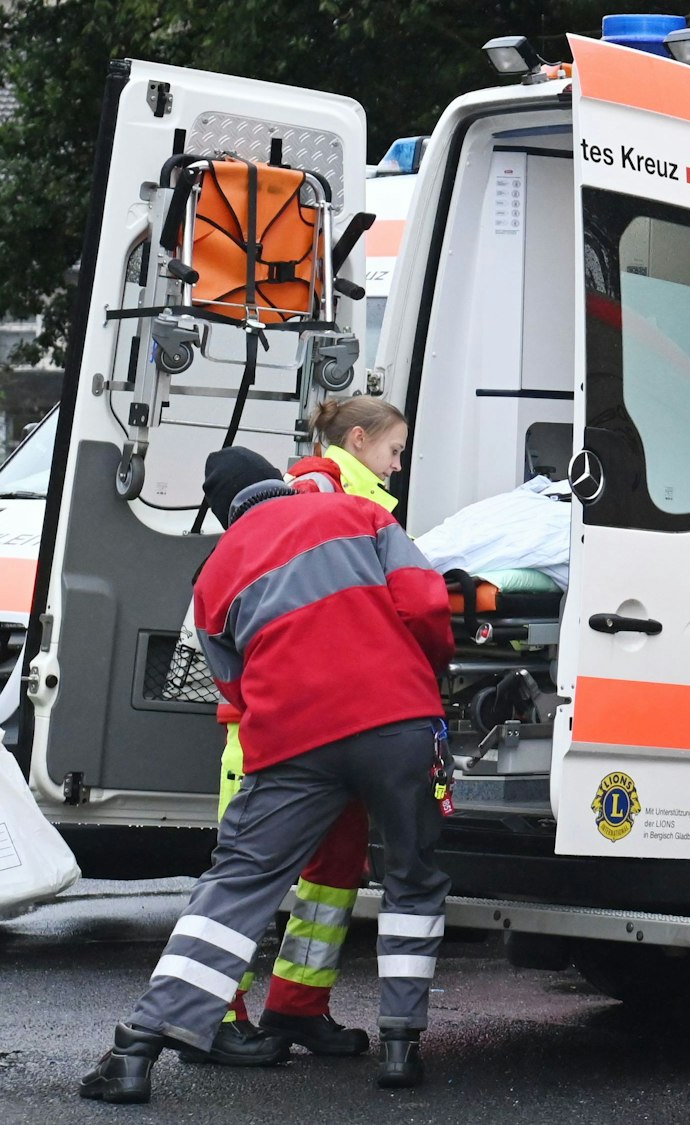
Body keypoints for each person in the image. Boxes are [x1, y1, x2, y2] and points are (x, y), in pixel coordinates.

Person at [80, 448, 453, 1104]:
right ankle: (401, 1047)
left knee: (238, 885)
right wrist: (426, 670)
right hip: (397, 719)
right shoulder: (359, 512)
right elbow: (426, 603)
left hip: (293, 741)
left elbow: (233, 684)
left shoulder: (213, 572)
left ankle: (136, 1049)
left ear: (231, 514)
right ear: (278, 485)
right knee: (412, 878)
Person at [209, 397, 411, 1057]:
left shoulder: (349, 495)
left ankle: (297, 1005)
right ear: (358, 439)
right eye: (393, 450)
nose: (398, 465)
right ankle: (213, 1015)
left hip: (332, 721)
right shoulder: (319, 494)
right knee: (248, 881)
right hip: (277, 732)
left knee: (334, 868)